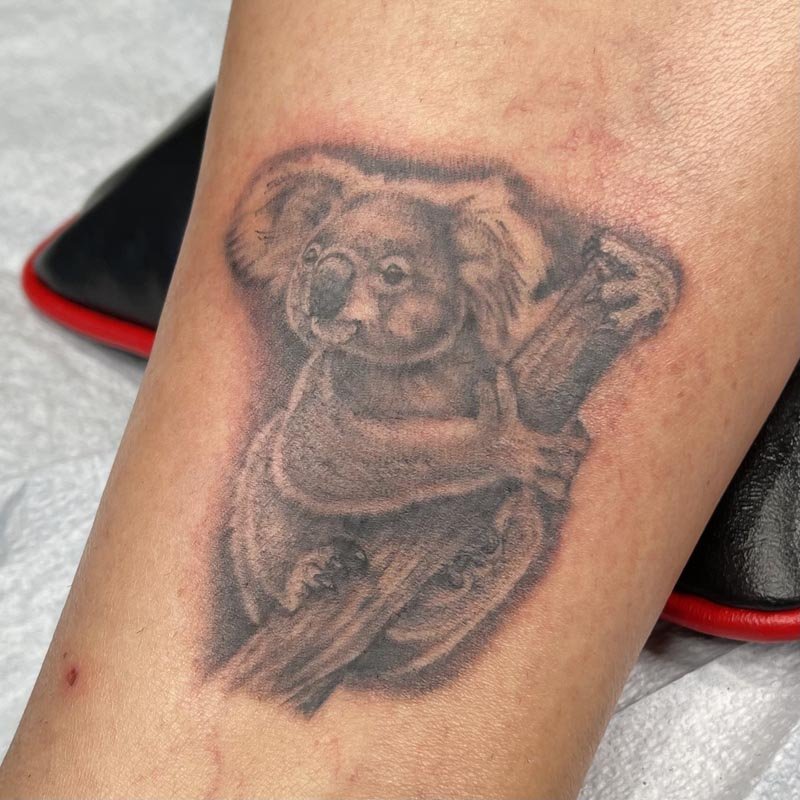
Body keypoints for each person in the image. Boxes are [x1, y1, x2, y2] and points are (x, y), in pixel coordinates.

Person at [1, 1, 797, 797]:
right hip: (302, 557)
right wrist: (494, 451)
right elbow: (325, 465)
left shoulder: (487, 340)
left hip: (444, 588)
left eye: (392, 274)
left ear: (467, 273)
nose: (341, 285)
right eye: (326, 258)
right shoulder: (334, 387)